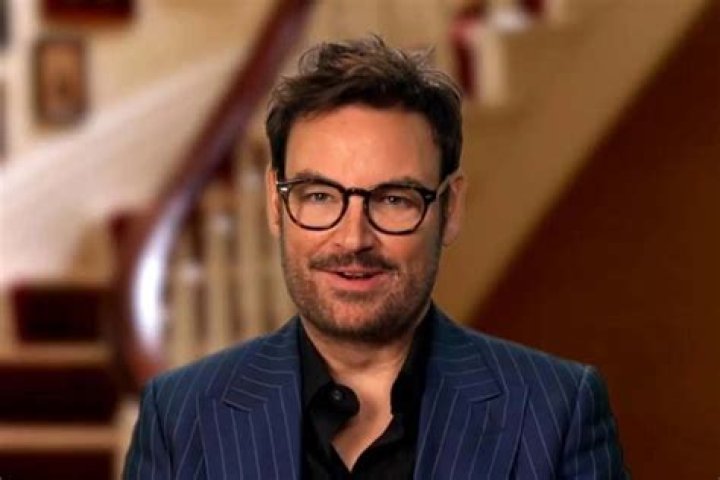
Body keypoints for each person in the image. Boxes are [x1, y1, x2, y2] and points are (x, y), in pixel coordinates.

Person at [124, 36, 627, 479]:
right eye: (319, 196)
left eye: (393, 199)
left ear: (450, 209)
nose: (353, 239)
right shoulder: (180, 418)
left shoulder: (556, 412)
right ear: (276, 206)